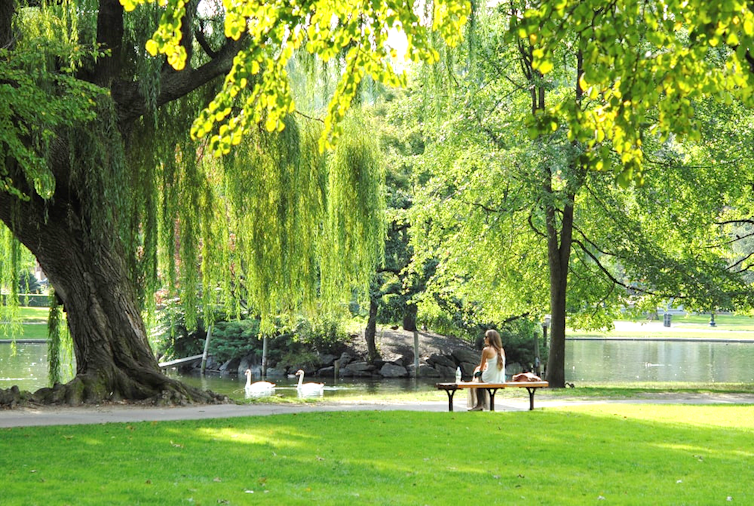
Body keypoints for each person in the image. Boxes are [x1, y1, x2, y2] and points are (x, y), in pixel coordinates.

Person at [468, 329, 506, 411]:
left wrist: (478, 371)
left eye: (486, 337)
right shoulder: (501, 350)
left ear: (491, 339)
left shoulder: (486, 350)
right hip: (500, 379)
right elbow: (494, 364)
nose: (484, 339)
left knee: (477, 374)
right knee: (480, 377)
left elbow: (481, 368)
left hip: (490, 378)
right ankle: (481, 403)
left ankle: (479, 404)